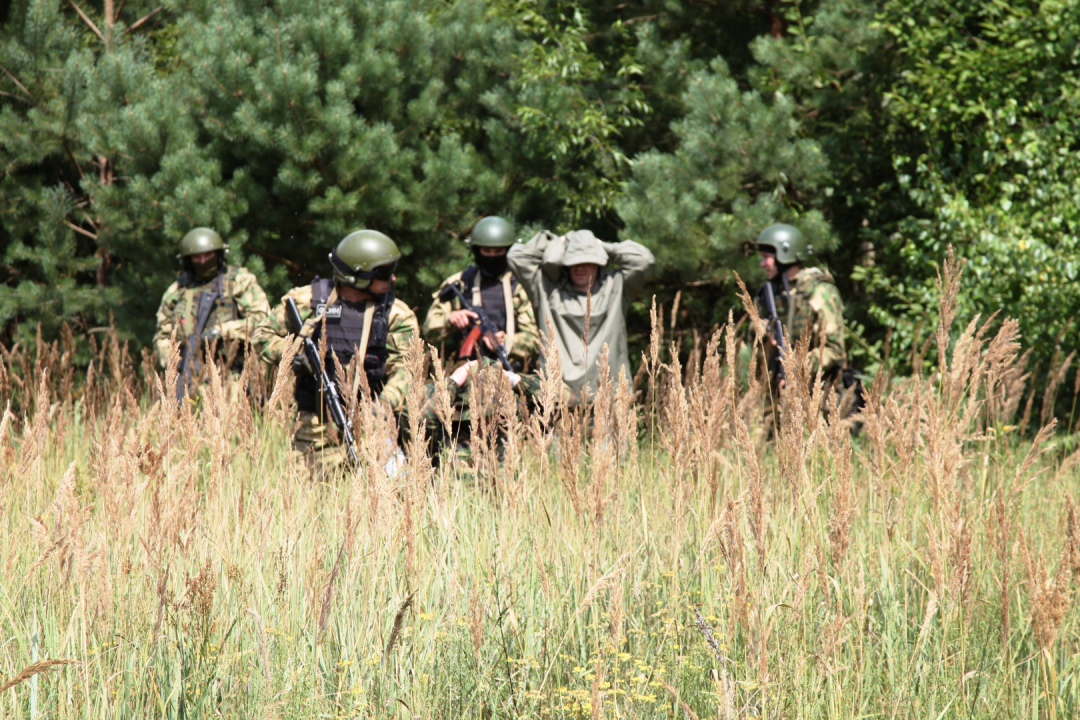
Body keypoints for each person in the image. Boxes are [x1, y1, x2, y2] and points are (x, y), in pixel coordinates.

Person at [253, 230, 420, 470]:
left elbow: (408, 371)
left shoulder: (396, 315)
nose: (392, 279)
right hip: (313, 429)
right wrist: (290, 353)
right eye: (384, 273)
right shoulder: (307, 301)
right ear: (357, 276)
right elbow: (261, 335)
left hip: (371, 427)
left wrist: (377, 410)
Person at [508, 229, 654, 400]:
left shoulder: (616, 287)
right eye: (573, 262)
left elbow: (644, 260)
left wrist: (600, 246)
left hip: (609, 396)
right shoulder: (546, 290)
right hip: (560, 397)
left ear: (599, 262)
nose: (580, 268)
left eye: (588, 260)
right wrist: (557, 242)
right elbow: (515, 256)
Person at [752, 223, 859, 429]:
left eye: (767, 257)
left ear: (785, 255)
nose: (762, 264)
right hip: (778, 394)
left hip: (820, 394)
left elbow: (834, 349)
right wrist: (764, 333)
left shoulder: (819, 292)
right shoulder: (769, 294)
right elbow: (754, 332)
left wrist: (797, 368)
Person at [154, 227, 270, 393]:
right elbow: (162, 336)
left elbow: (262, 320)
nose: (203, 261)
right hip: (188, 374)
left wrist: (222, 331)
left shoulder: (239, 281)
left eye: (208, 255)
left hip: (232, 374)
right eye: (197, 257)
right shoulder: (177, 290)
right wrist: (173, 360)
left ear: (219, 255)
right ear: (187, 260)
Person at [423, 216, 540, 370]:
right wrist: (450, 319)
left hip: (513, 372)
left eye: (498, 251)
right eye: (487, 251)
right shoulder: (461, 283)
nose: (492, 256)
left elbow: (536, 340)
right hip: (469, 371)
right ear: (477, 251)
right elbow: (429, 330)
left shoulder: (520, 286)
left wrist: (507, 342)